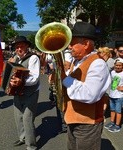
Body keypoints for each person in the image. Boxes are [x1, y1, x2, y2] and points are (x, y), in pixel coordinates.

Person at [62, 21, 111, 150]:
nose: (69, 46)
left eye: (72, 42)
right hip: (72, 118)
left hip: (87, 123)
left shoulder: (98, 64)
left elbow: (89, 94)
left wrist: (65, 80)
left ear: (86, 44)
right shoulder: (76, 61)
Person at [8, 36, 40, 150]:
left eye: (21, 46)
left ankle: (31, 146)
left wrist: (21, 82)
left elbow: (35, 78)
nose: (19, 49)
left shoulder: (33, 58)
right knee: (18, 117)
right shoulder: (15, 58)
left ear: (27, 46)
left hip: (31, 92)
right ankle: (23, 138)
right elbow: (11, 73)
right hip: (17, 91)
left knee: (27, 119)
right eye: (17, 47)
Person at [104, 58, 123, 132]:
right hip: (112, 95)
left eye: (120, 65)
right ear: (114, 65)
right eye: (116, 65)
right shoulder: (112, 72)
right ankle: (112, 122)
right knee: (112, 110)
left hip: (119, 96)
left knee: (118, 111)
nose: (118, 67)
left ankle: (117, 125)